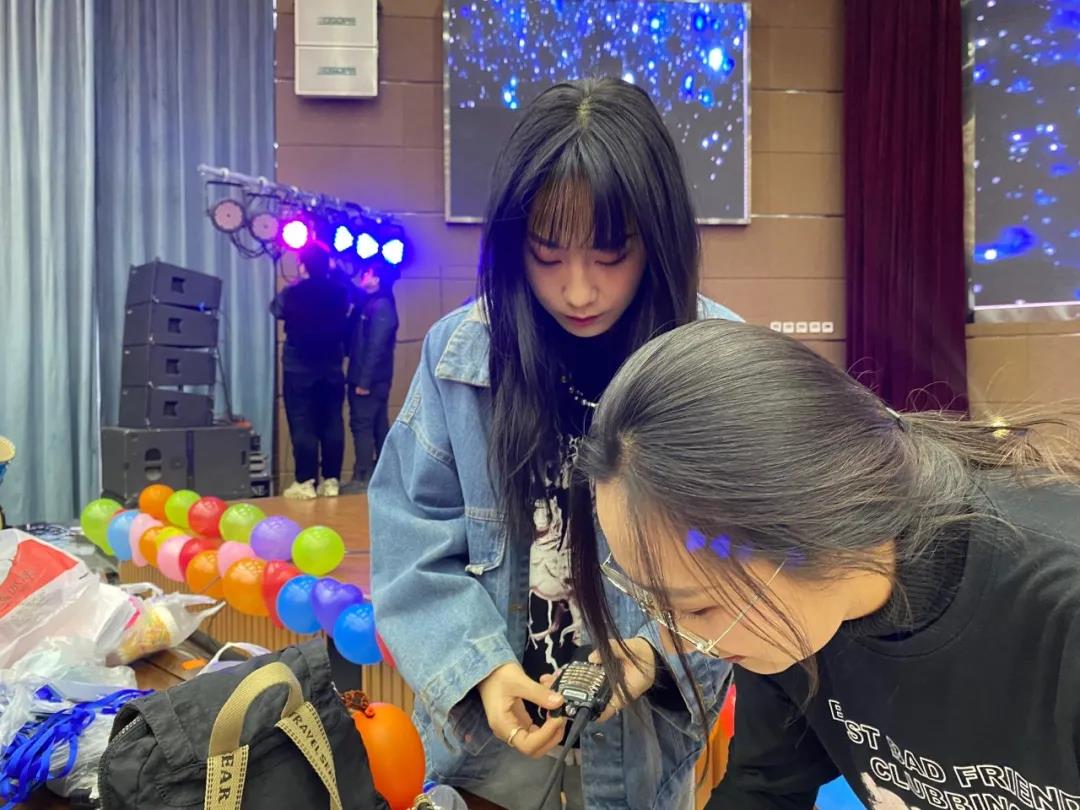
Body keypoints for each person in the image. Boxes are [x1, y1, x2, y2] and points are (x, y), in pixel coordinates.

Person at [370, 78, 740, 809]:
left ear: (658, 237)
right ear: (513, 246)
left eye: (609, 256)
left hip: (639, 759)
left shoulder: (717, 365)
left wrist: (656, 650)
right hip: (482, 754)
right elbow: (410, 540)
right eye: (546, 255)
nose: (578, 292)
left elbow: (750, 557)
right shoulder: (459, 356)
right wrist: (481, 671)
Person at [567, 318, 1080, 810]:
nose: (674, 641)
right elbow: (763, 790)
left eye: (696, 607)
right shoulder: (788, 622)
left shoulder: (1059, 611)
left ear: (803, 524)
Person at [270, 246, 352, 500]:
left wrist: (299, 282)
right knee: (332, 422)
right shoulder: (339, 291)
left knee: (302, 423)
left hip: (299, 367)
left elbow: (275, 309)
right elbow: (349, 308)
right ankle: (331, 480)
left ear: (303, 265)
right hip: (331, 367)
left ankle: (305, 481)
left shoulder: (293, 292)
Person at [343, 266, 399, 495]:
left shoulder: (382, 306)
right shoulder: (369, 303)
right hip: (371, 377)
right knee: (376, 425)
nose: (362, 276)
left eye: (366, 273)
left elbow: (377, 346)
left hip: (371, 380)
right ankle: (383, 476)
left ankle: (363, 475)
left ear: (376, 279)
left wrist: (364, 381)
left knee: (363, 425)